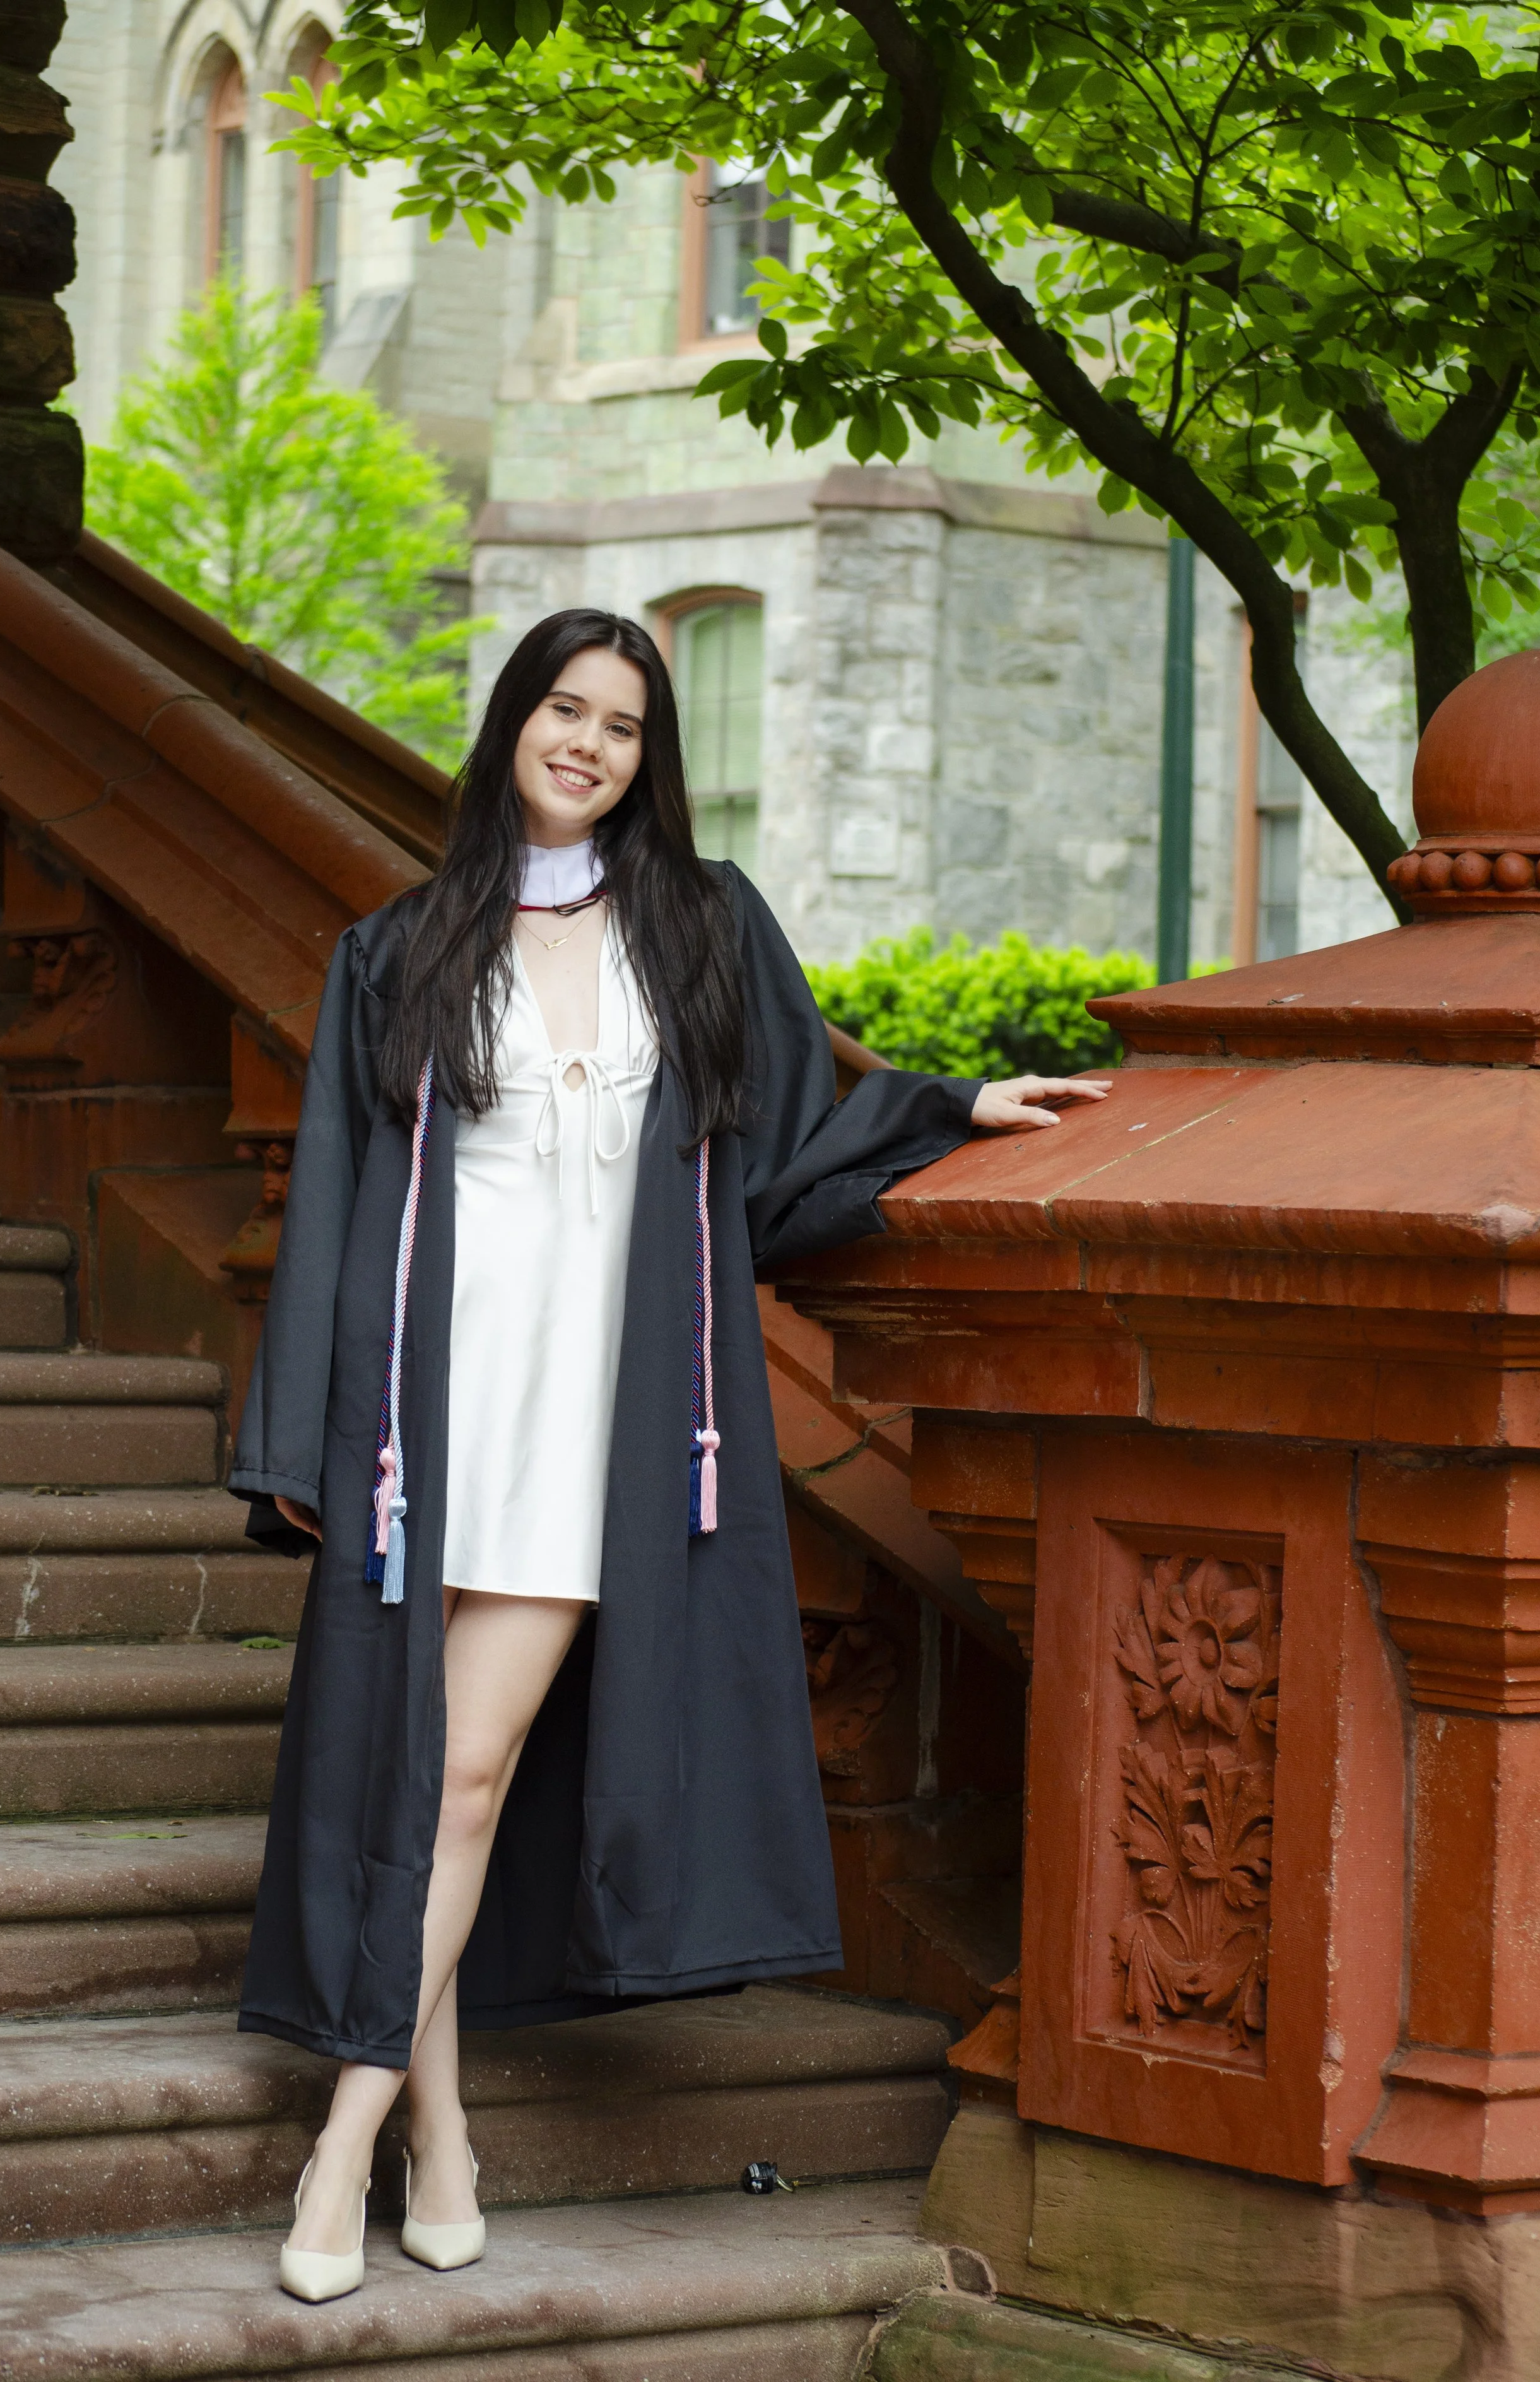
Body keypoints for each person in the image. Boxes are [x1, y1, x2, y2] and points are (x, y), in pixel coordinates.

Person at [228, 608, 1110, 2302]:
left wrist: (951, 1108)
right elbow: (333, 1210)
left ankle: (341, 2140)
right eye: (565, 709)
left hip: (597, 1425)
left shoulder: (700, 931)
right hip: (435, 1419)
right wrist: (304, 1439)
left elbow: (791, 1135)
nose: (590, 743)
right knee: (435, 1779)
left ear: (652, 760)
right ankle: (439, 2128)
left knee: (464, 1770)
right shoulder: (402, 950)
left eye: (624, 725)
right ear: (511, 727)